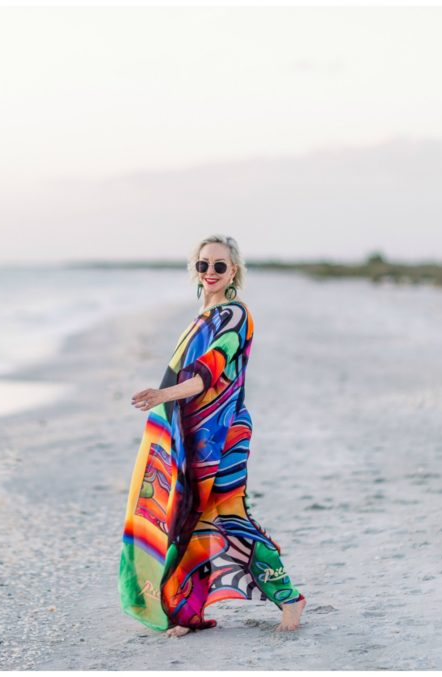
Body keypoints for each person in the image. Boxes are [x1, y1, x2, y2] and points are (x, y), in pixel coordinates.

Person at [118, 234, 307, 637]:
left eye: (219, 265)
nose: (210, 272)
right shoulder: (200, 318)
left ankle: (290, 598)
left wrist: (161, 394)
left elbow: (209, 371)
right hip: (194, 433)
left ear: (233, 270)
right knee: (191, 519)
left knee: (232, 517)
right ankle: (188, 612)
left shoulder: (235, 316)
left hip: (224, 433)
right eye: (203, 264)